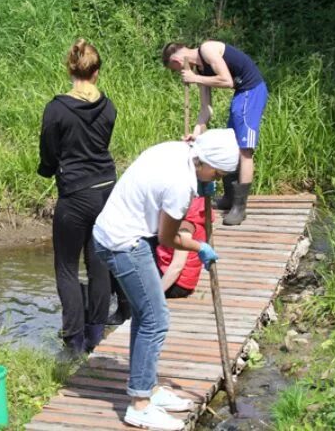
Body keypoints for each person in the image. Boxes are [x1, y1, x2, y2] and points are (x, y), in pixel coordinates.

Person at [93, 129, 239, 430]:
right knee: (156, 319)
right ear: (207, 164)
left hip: (124, 230)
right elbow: (168, 237)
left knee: (147, 316)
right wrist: (200, 246)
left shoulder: (177, 150)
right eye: (218, 174)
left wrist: (202, 189)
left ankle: (147, 388)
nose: (217, 179)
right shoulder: (181, 185)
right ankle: (140, 406)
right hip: (122, 242)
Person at [38, 38, 117, 355]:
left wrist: (48, 169)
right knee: (98, 262)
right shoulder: (108, 106)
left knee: (67, 267)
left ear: (70, 69)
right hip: (108, 189)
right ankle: (96, 332)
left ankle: (73, 339)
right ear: (96, 71)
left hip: (76, 193)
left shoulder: (57, 109)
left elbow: (49, 150)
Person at [162, 41, 268, 225]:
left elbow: (227, 81)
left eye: (175, 69)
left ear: (177, 60)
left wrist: (195, 79)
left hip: (251, 91)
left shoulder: (207, 49)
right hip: (240, 95)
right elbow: (206, 110)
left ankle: (239, 207)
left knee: (245, 150)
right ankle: (229, 196)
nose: (179, 72)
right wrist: (195, 135)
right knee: (231, 146)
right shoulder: (201, 71)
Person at [106, 197, 213, 324]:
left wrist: (154, 294)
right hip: (170, 269)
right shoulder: (193, 210)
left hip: (178, 284)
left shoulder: (184, 228)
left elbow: (177, 266)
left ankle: (125, 310)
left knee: (122, 265)